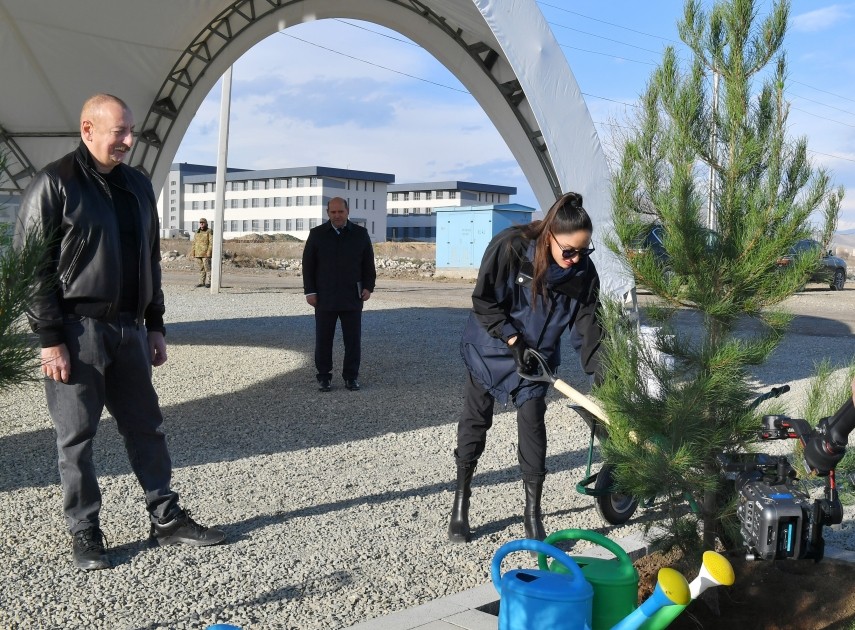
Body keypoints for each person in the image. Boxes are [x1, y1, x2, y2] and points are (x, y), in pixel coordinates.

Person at [14, 93, 225, 571]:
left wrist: (155, 324)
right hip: (77, 332)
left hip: (129, 329)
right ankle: (85, 531)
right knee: (77, 438)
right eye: (119, 132)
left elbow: (149, 259)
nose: (129, 140)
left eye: (131, 131)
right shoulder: (55, 184)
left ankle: (166, 518)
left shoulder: (137, 186)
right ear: (88, 130)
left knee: (146, 426)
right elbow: (32, 268)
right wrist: (50, 338)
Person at [447, 191, 604, 543]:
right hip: (491, 348)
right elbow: (484, 301)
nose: (575, 259)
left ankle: (532, 513)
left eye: (584, 251)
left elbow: (590, 330)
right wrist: (513, 340)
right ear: (549, 236)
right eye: (569, 251)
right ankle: (461, 500)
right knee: (475, 420)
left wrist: (604, 377)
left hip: (537, 360)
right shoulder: (512, 248)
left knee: (533, 425)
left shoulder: (582, 273)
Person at [302, 197, 376, 392]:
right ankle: (324, 377)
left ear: (347, 211)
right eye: (333, 212)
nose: (337, 215)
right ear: (328, 213)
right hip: (324, 298)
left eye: (340, 212)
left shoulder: (360, 234)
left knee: (353, 341)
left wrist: (368, 287)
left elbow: (368, 264)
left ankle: (351, 377)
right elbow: (308, 266)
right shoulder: (317, 234)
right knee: (323, 340)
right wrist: (310, 292)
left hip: (352, 297)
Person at [191, 217, 213, 288]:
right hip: (198, 253)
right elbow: (194, 242)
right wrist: (193, 252)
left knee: (207, 268)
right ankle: (201, 282)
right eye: (200, 223)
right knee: (201, 268)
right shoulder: (197, 232)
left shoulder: (209, 231)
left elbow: (211, 242)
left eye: (203, 222)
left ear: (206, 223)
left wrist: (209, 252)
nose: (201, 224)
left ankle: (208, 282)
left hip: (205, 254)